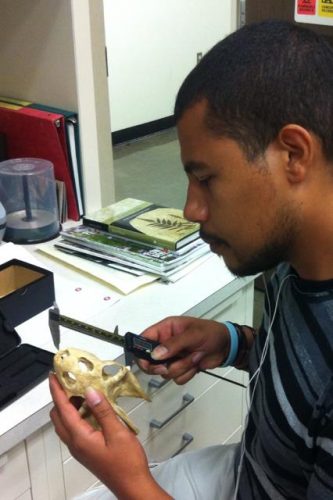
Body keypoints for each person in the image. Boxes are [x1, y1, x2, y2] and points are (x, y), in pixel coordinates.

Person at [49, 19, 333, 499]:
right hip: (251, 471)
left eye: (206, 178)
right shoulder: (297, 256)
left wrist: (132, 485)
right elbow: (303, 374)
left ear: (293, 154)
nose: (190, 210)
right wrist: (230, 343)